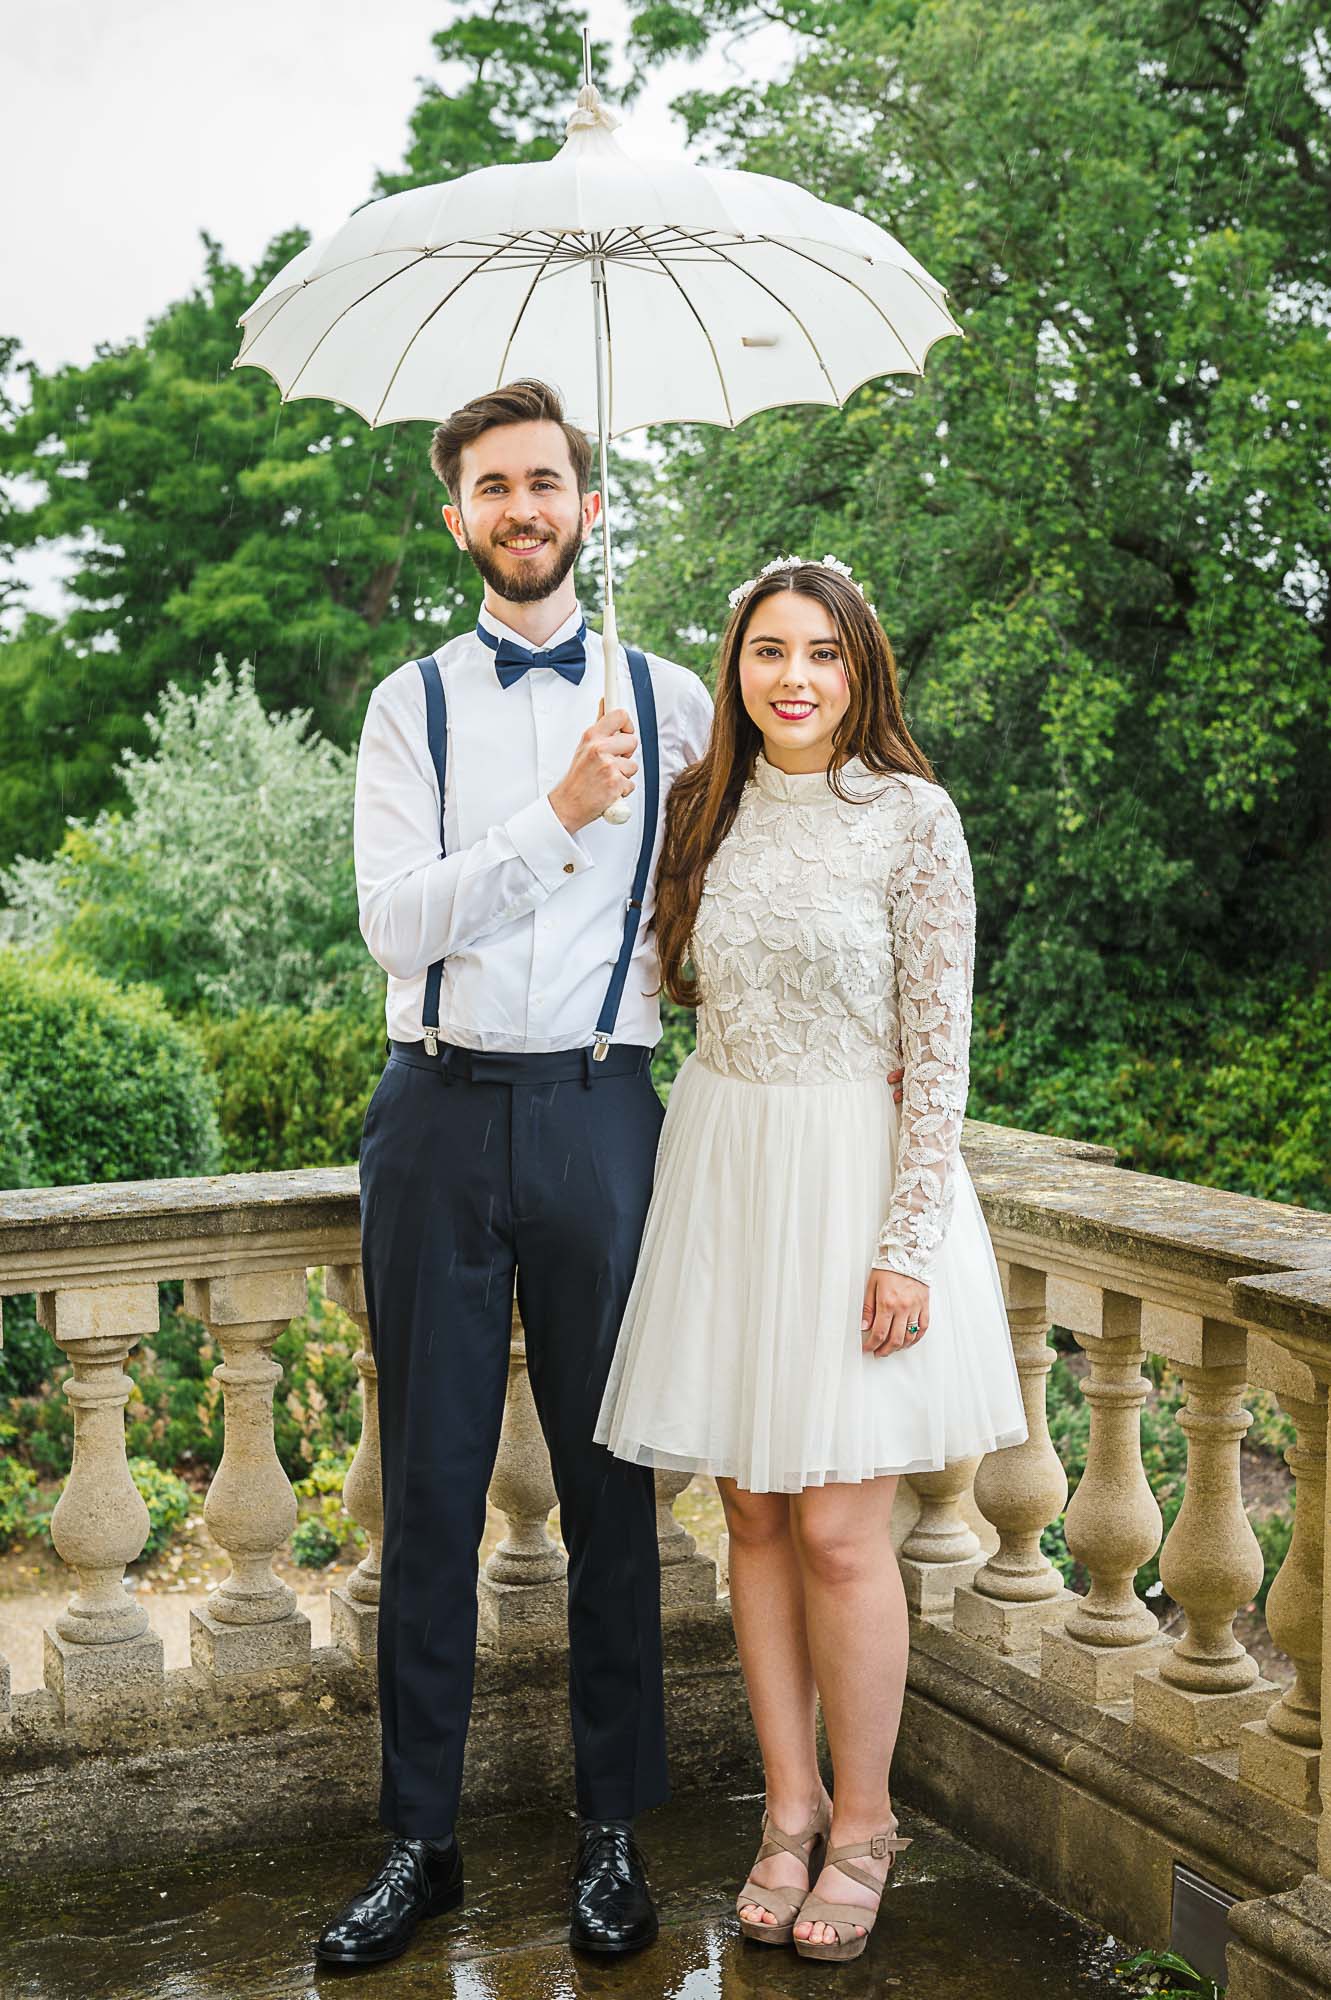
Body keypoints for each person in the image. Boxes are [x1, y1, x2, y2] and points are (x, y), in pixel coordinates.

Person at [315, 378, 714, 1970]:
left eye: (546, 482)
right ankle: (421, 1843)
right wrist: (560, 818)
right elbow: (395, 922)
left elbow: (726, 897)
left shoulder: (680, 702)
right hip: (435, 1114)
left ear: (590, 505)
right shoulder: (408, 702)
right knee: (426, 1494)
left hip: (611, 1114)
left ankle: (615, 1834)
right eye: (493, 488)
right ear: (458, 516)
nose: (523, 508)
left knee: (617, 1489)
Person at [595, 556, 1028, 1965]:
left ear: (862, 672)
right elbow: (653, 990)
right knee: (758, 1522)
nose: (793, 677)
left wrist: (909, 1243)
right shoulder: (696, 816)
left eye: (822, 654)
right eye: (768, 652)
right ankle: (782, 1814)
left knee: (844, 1529)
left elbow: (941, 1050)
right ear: (735, 670)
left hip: (855, 1186)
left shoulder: (914, 819)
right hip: (727, 1177)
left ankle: (862, 1823)